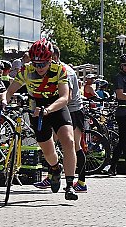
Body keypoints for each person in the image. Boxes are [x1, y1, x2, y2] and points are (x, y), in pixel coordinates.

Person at [1, 38, 78, 200]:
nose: (39, 68)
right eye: (36, 64)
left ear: (50, 60)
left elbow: (65, 97)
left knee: (68, 141)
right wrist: (3, 100)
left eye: (43, 64)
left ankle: (70, 185)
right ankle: (55, 169)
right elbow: (9, 91)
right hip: (36, 108)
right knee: (48, 151)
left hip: (56, 106)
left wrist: (48, 109)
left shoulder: (60, 70)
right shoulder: (26, 70)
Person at [33, 44, 87, 193]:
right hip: (54, 110)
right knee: (52, 144)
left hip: (72, 110)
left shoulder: (65, 71)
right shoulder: (47, 71)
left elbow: (67, 97)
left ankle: (81, 181)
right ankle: (53, 174)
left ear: (54, 58)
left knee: (73, 144)